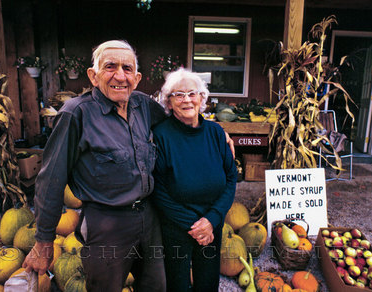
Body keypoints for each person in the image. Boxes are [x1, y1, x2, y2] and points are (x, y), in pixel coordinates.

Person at [22, 40, 168, 292]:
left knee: (156, 286)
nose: (120, 76)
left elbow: (180, 125)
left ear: (138, 77)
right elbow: (51, 179)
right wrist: (44, 240)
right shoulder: (75, 113)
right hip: (106, 223)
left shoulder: (143, 105)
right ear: (93, 75)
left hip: (149, 218)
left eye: (127, 68)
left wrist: (219, 136)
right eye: (110, 67)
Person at [151, 68, 237, 291]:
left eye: (192, 93)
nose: (186, 99)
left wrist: (212, 219)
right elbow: (157, 188)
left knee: (208, 282)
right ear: (169, 103)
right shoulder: (160, 135)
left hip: (212, 223)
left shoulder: (216, 133)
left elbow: (230, 178)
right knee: (177, 284)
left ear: (202, 98)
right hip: (176, 226)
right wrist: (195, 225)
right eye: (178, 95)